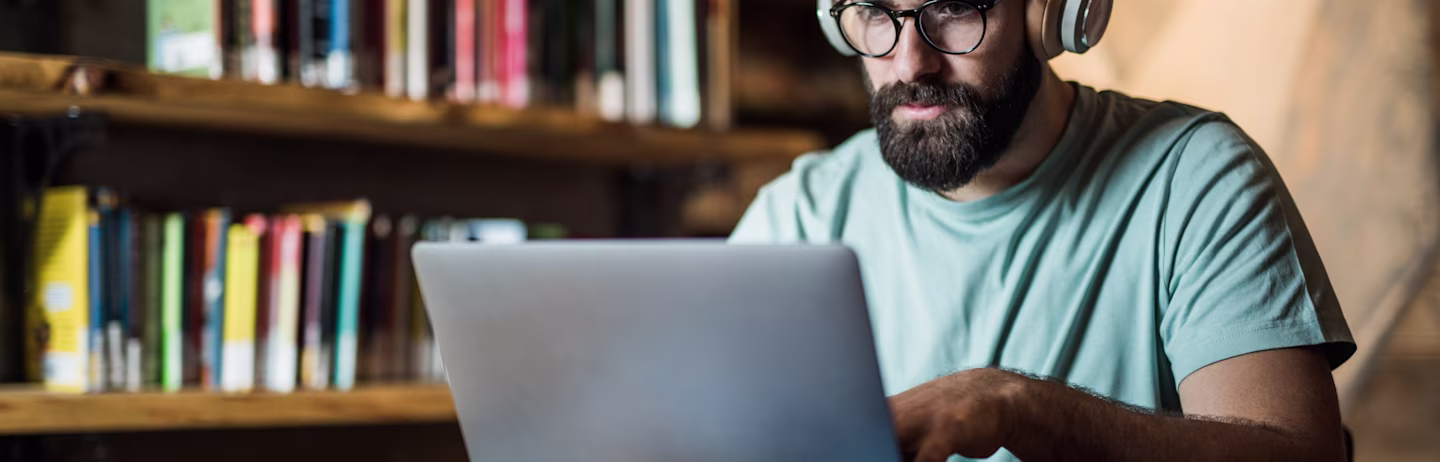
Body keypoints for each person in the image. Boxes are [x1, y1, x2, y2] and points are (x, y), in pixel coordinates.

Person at [729, 1, 1355, 461]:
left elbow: (1300, 456)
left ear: (1052, 16)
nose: (910, 62)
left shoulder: (1195, 177)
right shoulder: (801, 213)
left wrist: (1018, 408)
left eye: (952, 10)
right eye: (873, 13)